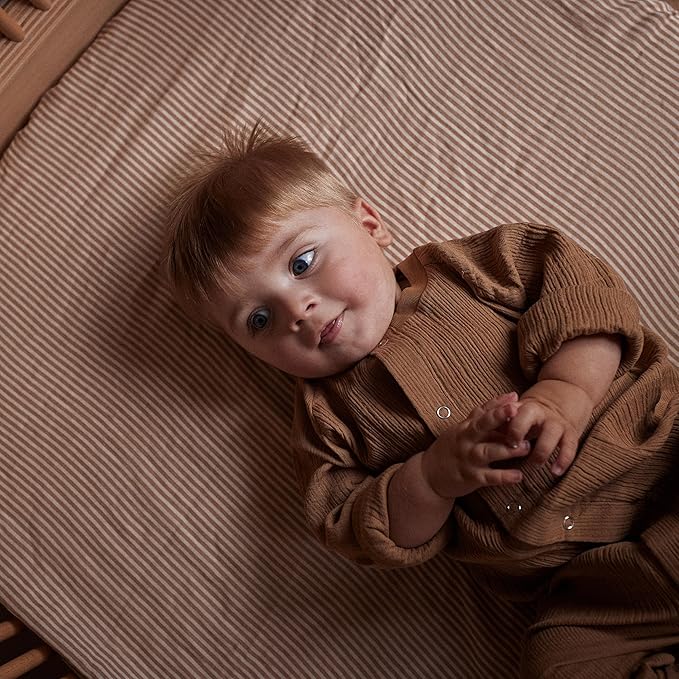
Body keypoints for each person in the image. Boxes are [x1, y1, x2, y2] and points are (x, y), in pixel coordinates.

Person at [164, 123, 679, 677]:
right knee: (558, 666)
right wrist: (432, 480)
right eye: (259, 319)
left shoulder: (470, 270)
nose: (297, 311)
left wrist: (565, 392)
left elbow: (582, 292)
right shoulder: (326, 422)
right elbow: (356, 526)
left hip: (661, 458)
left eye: (302, 263)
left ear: (370, 224)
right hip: (593, 594)